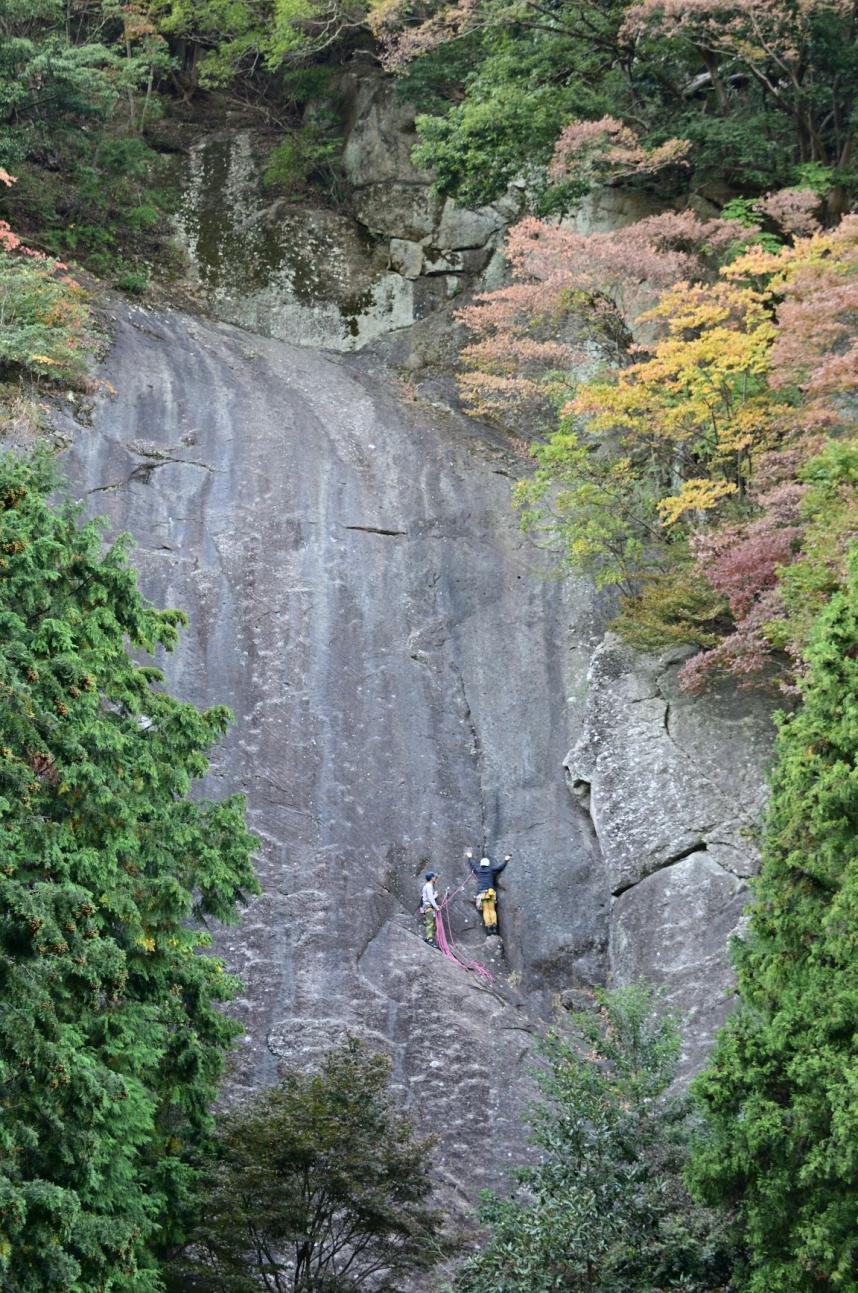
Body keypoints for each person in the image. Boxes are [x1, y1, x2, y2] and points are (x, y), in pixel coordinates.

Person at [466, 850, 510, 936]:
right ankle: (494, 926)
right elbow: (499, 868)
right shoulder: (490, 870)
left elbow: (473, 864)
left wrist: (469, 857)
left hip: (482, 894)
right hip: (490, 893)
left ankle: (489, 927)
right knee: (492, 910)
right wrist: (506, 860)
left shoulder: (478, 869)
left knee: (486, 910)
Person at [420, 871, 441, 947]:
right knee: (430, 923)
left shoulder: (427, 886)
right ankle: (430, 940)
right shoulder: (429, 886)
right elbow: (430, 899)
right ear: (432, 878)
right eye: (435, 877)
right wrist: (436, 907)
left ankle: (428, 937)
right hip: (429, 907)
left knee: (431, 923)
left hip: (428, 907)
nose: (435, 878)